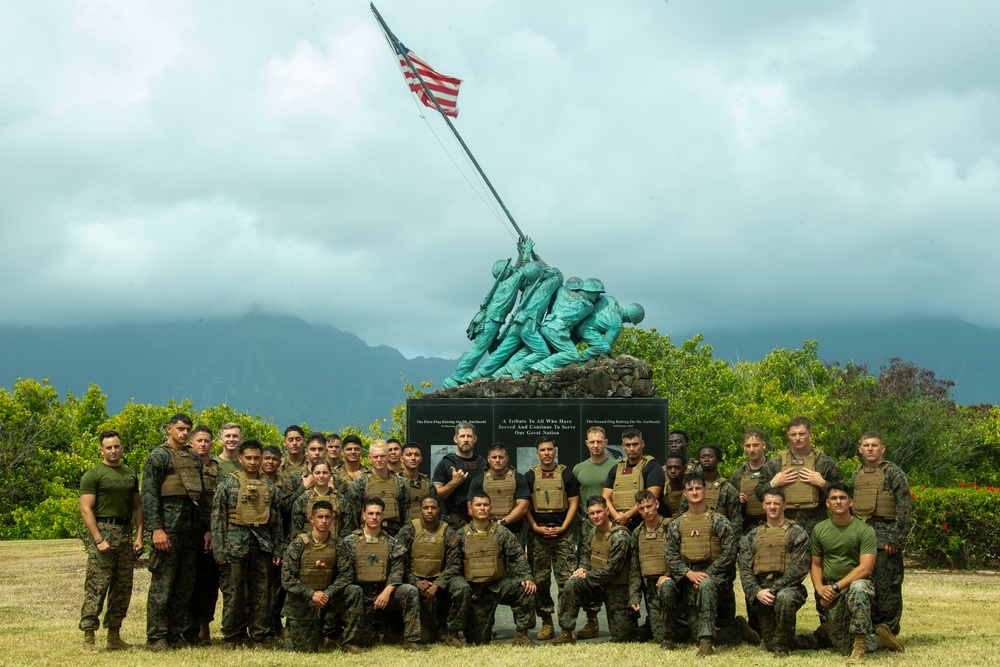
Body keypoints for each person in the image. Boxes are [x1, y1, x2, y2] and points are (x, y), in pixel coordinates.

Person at [661, 473, 757, 657]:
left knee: (705, 586)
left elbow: (730, 552)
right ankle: (668, 637)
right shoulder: (677, 524)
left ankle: (707, 642)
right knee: (666, 586)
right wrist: (689, 574)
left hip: (715, 580)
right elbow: (670, 555)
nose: (694, 492)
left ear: (705, 490)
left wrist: (707, 575)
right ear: (684, 493)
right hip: (687, 579)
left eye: (698, 488)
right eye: (690, 489)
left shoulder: (719, 521)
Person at [806, 483, 904, 663]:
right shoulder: (819, 530)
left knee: (859, 587)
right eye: (834, 498)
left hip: (854, 587)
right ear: (827, 503)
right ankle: (880, 639)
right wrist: (820, 588)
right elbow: (816, 564)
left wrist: (835, 587)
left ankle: (860, 648)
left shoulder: (864, 530)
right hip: (830, 591)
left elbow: (865, 568)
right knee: (843, 647)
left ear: (851, 502)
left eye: (843, 498)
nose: (838, 502)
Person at [141, 413, 209, 651]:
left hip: (190, 533)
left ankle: (175, 634)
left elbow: (199, 497)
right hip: (167, 532)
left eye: (188, 429)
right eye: (180, 428)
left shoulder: (194, 459)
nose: (184, 433)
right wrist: (156, 529)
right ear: (169, 429)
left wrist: (205, 529)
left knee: (184, 586)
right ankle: (156, 637)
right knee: (163, 585)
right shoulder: (158, 457)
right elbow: (148, 494)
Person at [211, 440, 283, 649]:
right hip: (234, 547)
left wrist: (277, 548)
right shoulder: (227, 483)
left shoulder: (270, 486)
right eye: (248, 458)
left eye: (256, 458)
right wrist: (219, 549)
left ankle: (259, 635)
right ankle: (232, 636)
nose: (253, 462)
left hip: (261, 547)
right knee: (233, 593)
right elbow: (217, 518)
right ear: (240, 458)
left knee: (262, 594)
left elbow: (276, 522)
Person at [79, 430, 142, 651]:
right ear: (101, 450)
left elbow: (137, 507)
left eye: (116, 446)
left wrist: (139, 536)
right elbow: (86, 509)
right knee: (97, 586)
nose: (113, 451)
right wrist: (98, 539)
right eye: (109, 447)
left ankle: (114, 636)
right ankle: (88, 636)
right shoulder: (93, 474)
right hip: (104, 531)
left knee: (123, 587)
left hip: (125, 534)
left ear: (122, 448)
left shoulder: (130, 474)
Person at [333, 496, 424, 652]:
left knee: (410, 591)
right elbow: (345, 575)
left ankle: (412, 641)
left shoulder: (393, 543)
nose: (374, 517)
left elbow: (397, 572)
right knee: (366, 639)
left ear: (383, 516)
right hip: (359, 595)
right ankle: (350, 642)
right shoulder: (348, 542)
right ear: (363, 515)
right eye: (370, 513)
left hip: (384, 593)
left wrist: (386, 593)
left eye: (377, 514)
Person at [441, 236, 535, 387]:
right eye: (510, 268)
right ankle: (456, 377)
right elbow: (524, 270)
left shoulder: (504, 282)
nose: (512, 268)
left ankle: (494, 371)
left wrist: (520, 253)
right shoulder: (510, 284)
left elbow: (517, 269)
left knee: (496, 349)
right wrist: (527, 251)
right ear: (507, 271)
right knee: (478, 350)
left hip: (491, 321)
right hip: (491, 321)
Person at [280, 500, 363, 652]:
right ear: (312, 519)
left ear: (332, 519)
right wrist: (312, 594)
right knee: (305, 650)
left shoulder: (338, 544)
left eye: (327, 517)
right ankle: (290, 633)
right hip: (304, 599)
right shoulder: (298, 544)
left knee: (355, 591)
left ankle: (350, 643)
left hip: (328, 597)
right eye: (320, 517)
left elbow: (346, 575)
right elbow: (287, 579)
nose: (324, 521)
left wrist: (327, 593)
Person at [552, 495, 636, 644]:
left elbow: (611, 571)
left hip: (618, 591)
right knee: (572, 584)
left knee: (623, 638)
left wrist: (586, 575)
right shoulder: (593, 532)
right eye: (591, 513)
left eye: (599, 512)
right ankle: (566, 633)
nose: (595, 516)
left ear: (607, 511)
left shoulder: (620, 536)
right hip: (597, 586)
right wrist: (582, 568)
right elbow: (585, 554)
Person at [850, 432, 911, 636]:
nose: (870, 448)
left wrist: (896, 538)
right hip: (862, 539)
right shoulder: (857, 474)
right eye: (866, 445)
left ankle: (888, 631)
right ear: (860, 449)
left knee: (887, 588)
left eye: (874, 445)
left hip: (886, 540)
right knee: (865, 585)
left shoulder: (893, 472)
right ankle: (869, 630)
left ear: (882, 449)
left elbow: (904, 504)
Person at [738, 487, 810, 658]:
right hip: (761, 592)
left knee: (784, 598)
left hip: (787, 589)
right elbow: (745, 570)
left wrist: (774, 589)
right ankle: (743, 628)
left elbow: (799, 568)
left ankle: (782, 647)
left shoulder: (797, 533)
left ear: (784, 506)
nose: (772, 507)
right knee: (769, 642)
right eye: (769, 503)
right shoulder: (752, 536)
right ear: (763, 505)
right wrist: (757, 592)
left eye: (776, 503)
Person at [462, 491, 537, 646]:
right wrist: (466, 589)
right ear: (470, 509)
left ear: (490, 508)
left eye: (485, 505)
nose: (482, 508)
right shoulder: (459, 536)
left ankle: (522, 635)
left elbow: (518, 556)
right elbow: (455, 567)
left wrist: (527, 577)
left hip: (499, 586)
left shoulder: (502, 533)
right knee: (478, 641)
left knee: (525, 589)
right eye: (478, 505)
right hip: (476, 592)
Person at [524, 435, 580, 640]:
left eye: (550, 449)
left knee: (566, 581)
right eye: (543, 450)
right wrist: (535, 527)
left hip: (562, 533)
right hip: (538, 535)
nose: (547, 453)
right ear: (537, 453)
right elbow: (524, 506)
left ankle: (567, 627)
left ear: (555, 451)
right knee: (540, 581)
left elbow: (574, 502)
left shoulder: (566, 474)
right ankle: (546, 623)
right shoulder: (529, 476)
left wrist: (565, 526)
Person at [396, 494, 472, 647]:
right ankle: (410, 635)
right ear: (420, 510)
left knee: (462, 588)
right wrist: (415, 582)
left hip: (439, 580)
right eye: (426, 508)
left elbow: (454, 564)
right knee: (426, 637)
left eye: (433, 508)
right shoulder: (408, 530)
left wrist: (438, 584)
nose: (429, 511)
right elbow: (398, 564)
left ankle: (453, 634)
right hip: (415, 581)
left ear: (438, 510)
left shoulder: (447, 532)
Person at [756, 417, 844, 536]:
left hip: (817, 527)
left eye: (801, 434)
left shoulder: (824, 462)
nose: (797, 438)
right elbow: (759, 493)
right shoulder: (776, 462)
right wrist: (773, 484)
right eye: (793, 434)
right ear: (788, 435)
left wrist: (822, 484)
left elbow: (844, 494)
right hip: (784, 528)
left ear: (810, 433)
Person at [183, 425, 221, 646]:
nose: (203, 444)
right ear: (191, 442)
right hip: (187, 532)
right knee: (187, 582)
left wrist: (213, 532)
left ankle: (203, 625)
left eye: (207, 440)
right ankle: (184, 628)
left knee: (208, 583)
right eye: (199, 440)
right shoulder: (183, 466)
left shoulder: (219, 472)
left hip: (211, 534)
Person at [628, 489, 674, 649]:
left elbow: (681, 558)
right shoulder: (637, 534)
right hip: (651, 590)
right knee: (660, 637)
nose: (646, 511)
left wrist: (669, 575)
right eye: (642, 508)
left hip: (674, 587)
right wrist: (634, 596)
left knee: (685, 634)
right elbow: (635, 567)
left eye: (649, 506)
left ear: (657, 504)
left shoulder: (671, 528)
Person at [528, 276, 600, 374]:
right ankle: (540, 366)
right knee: (572, 355)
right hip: (557, 331)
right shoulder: (588, 306)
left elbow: (555, 276)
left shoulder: (563, 291)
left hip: (545, 326)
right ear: (592, 292)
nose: (597, 297)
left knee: (547, 350)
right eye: (597, 294)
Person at [603, 428, 664, 530]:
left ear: (642, 444)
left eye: (635, 444)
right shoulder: (616, 468)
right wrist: (617, 517)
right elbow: (605, 497)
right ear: (623, 446)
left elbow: (652, 496)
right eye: (628, 445)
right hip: (619, 525)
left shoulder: (652, 466)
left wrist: (627, 515)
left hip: (645, 524)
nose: (631, 448)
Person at [346, 440, 410, 536]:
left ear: (388, 456)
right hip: (366, 535)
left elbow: (405, 516)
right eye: (375, 457)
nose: (379, 460)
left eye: (383, 456)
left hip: (394, 535)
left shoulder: (400, 483)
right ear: (370, 458)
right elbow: (354, 518)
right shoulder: (359, 483)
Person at [466, 442, 530, 537]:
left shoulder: (518, 479)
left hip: (513, 532)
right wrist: (490, 524)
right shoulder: (478, 480)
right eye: (494, 457)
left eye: (501, 457)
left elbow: (523, 507)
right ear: (488, 459)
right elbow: (471, 509)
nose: (497, 460)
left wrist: (503, 522)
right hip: (486, 532)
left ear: (507, 458)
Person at [432, 422, 488, 527]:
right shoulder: (445, 463)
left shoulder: (484, 464)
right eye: (462, 436)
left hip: (481, 520)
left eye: (469, 436)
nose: (466, 439)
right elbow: (436, 495)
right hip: (454, 520)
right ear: (455, 439)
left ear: (474, 439)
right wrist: (454, 483)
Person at [287, 461, 345, 546]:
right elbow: (296, 531)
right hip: (308, 549)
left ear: (330, 474)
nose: (321, 476)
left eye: (325, 473)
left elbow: (347, 529)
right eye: (317, 473)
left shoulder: (341, 500)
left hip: (334, 548)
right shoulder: (302, 500)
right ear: (312, 475)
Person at [574, 294, 645, 362]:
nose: (629, 322)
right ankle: (581, 361)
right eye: (630, 321)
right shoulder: (617, 325)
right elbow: (607, 343)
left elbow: (593, 298)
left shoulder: (611, 300)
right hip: (584, 329)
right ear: (630, 318)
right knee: (605, 348)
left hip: (576, 321)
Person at [729, 430, 769, 535]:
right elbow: (729, 505)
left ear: (763, 445)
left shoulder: (774, 468)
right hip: (748, 528)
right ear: (744, 447)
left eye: (755, 445)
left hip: (773, 525)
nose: (751, 449)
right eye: (748, 446)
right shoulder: (738, 474)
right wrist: (737, 499)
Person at [399, 442, 439, 522]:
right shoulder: (395, 482)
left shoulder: (429, 484)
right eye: (409, 455)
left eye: (417, 455)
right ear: (401, 459)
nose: (413, 458)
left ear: (421, 459)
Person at [661, 453, 687, 518]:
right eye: (669, 468)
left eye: (677, 468)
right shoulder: (662, 489)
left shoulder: (693, 490)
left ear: (685, 469)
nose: (672, 471)